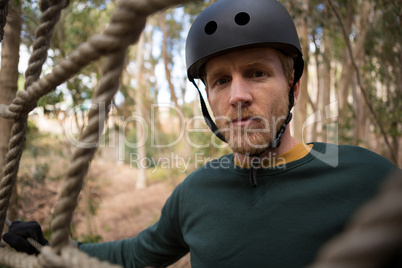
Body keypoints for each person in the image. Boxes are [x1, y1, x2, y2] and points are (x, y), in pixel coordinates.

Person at [3, 0, 398, 267]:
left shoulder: (370, 181)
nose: (238, 96)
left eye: (257, 73)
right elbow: (136, 254)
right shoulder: (195, 193)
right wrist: (50, 251)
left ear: (292, 86)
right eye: (221, 81)